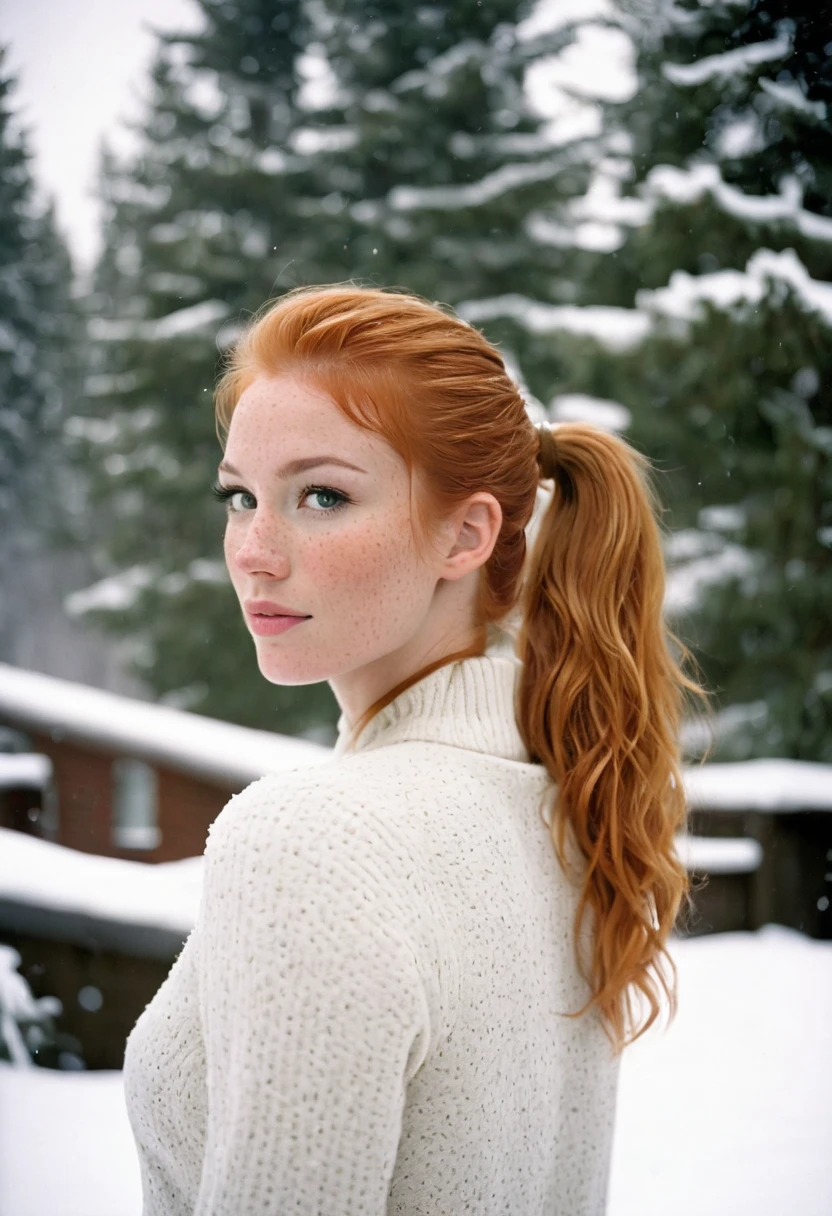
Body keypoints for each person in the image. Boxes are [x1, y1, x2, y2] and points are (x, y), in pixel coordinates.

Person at [123, 284, 707, 1215]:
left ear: (467, 533)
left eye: (321, 495)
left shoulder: (316, 840)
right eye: (240, 496)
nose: (255, 552)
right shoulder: (564, 803)